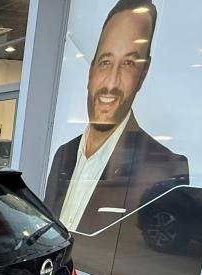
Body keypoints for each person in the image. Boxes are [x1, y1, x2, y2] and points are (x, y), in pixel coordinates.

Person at [44, 0, 189, 236]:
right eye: (105, 62)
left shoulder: (166, 169)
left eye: (128, 64)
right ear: (91, 71)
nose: (111, 82)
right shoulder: (64, 154)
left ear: (143, 74)